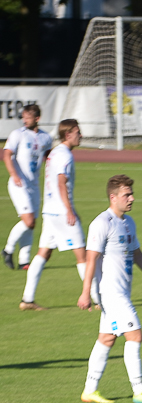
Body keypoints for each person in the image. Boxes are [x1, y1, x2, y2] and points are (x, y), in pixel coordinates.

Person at [78, 175, 142, 403]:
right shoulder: (102, 223)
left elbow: (137, 254)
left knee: (107, 339)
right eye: (127, 195)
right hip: (110, 293)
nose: (132, 198)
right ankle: (138, 390)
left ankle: (89, 390)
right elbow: (91, 259)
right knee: (135, 335)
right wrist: (85, 291)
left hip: (121, 292)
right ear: (113, 197)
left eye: (131, 194)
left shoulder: (128, 222)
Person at [20, 119, 95, 311]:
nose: (81, 135)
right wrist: (69, 210)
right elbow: (62, 183)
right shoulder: (64, 156)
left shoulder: (55, 153)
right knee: (83, 256)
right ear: (68, 134)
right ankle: (98, 299)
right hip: (62, 213)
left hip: (50, 211)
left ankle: (27, 299)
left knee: (44, 253)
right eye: (78, 132)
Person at [3, 104, 52, 270]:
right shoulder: (18, 134)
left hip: (34, 185)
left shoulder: (46, 137)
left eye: (28, 117)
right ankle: (8, 249)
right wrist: (14, 174)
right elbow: (7, 154)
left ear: (37, 119)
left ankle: (24, 260)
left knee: (32, 224)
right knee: (29, 221)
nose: (24, 120)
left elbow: (49, 158)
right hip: (19, 184)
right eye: (23, 117)